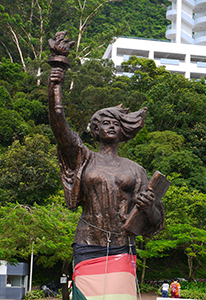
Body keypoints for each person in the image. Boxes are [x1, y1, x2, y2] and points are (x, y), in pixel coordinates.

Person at [48, 31, 165, 300]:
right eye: (103, 122)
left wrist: (149, 207)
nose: (110, 125)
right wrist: (56, 80)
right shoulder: (83, 158)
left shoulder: (135, 169)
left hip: (123, 246)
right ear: (95, 131)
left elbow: (154, 223)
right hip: (88, 243)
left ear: (122, 130)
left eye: (115, 122)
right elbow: (58, 124)